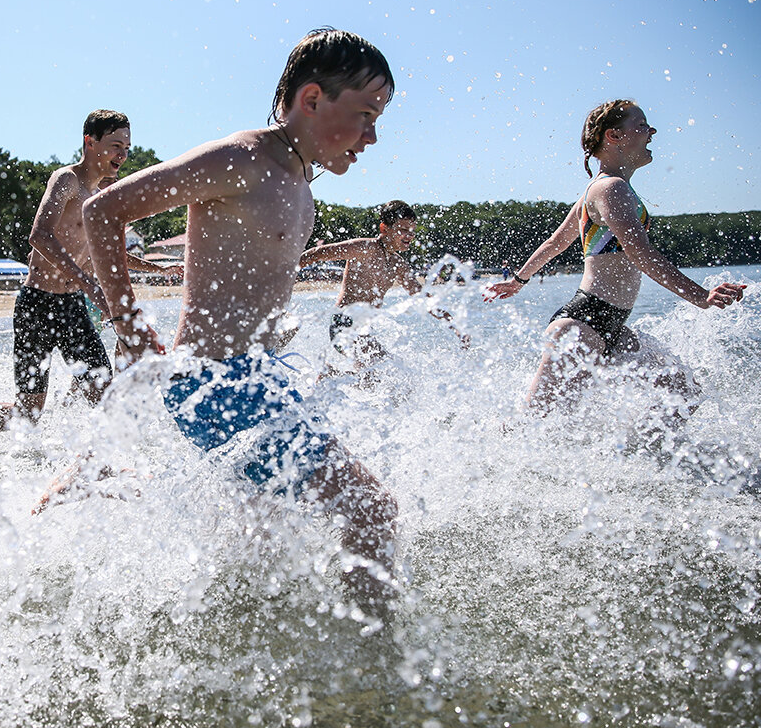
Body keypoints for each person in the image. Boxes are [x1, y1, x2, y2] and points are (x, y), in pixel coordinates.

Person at [75, 29, 399, 599]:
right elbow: (104, 209)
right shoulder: (243, 158)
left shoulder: (298, 177)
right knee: (372, 514)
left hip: (260, 380)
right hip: (216, 383)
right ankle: (372, 667)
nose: (373, 135)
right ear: (313, 99)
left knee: (263, 550)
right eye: (367, 113)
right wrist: (127, 324)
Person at [485, 99, 747, 414]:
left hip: (612, 327)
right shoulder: (609, 189)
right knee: (534, 425)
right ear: (614, 136)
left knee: (685, 390)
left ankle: (642, 457)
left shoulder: (598, 191)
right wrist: (701, 296)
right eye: (641, 125)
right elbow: (640, 252)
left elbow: (556, 242)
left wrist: (518, 279)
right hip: (582, 325)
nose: (651, 131)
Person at [0, 110, 180, 444]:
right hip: (36, 305)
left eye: (127, 146)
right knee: (28, 413)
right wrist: (87, 282)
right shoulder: (66, 180)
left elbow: (113, 255)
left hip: (71, 308)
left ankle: (98, 467)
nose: (122, 154)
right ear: (90, 141)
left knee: (102, 393)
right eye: (115, 145)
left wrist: (158, 270)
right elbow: (39, 236)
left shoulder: (102, 198)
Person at [298, 199, 468, 375]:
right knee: (392, 374)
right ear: (384, 229)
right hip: (344, 323)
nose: (409, 235)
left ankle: (329, 376)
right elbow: (318, 253)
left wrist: (453, 323)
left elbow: (422, 298)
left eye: (412, 231)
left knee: (373, 381)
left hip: (364, 330)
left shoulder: (398, 264)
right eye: (403, 230)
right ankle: (328, 376)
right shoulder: (365, 248)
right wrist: (281, 276)